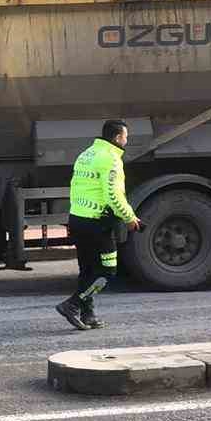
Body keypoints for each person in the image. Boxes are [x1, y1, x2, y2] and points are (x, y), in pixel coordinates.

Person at [57, 119, 141, 331]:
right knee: (107, 270)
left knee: (87, 269)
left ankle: (89, 315)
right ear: (117, 137)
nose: (126, 140)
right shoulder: (111, 159)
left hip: (77, 219)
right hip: (98, 223)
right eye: (125, 136)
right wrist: (130, 218)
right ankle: (73, 305)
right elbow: (113, 195)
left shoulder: (86, 154)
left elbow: (75, 186)